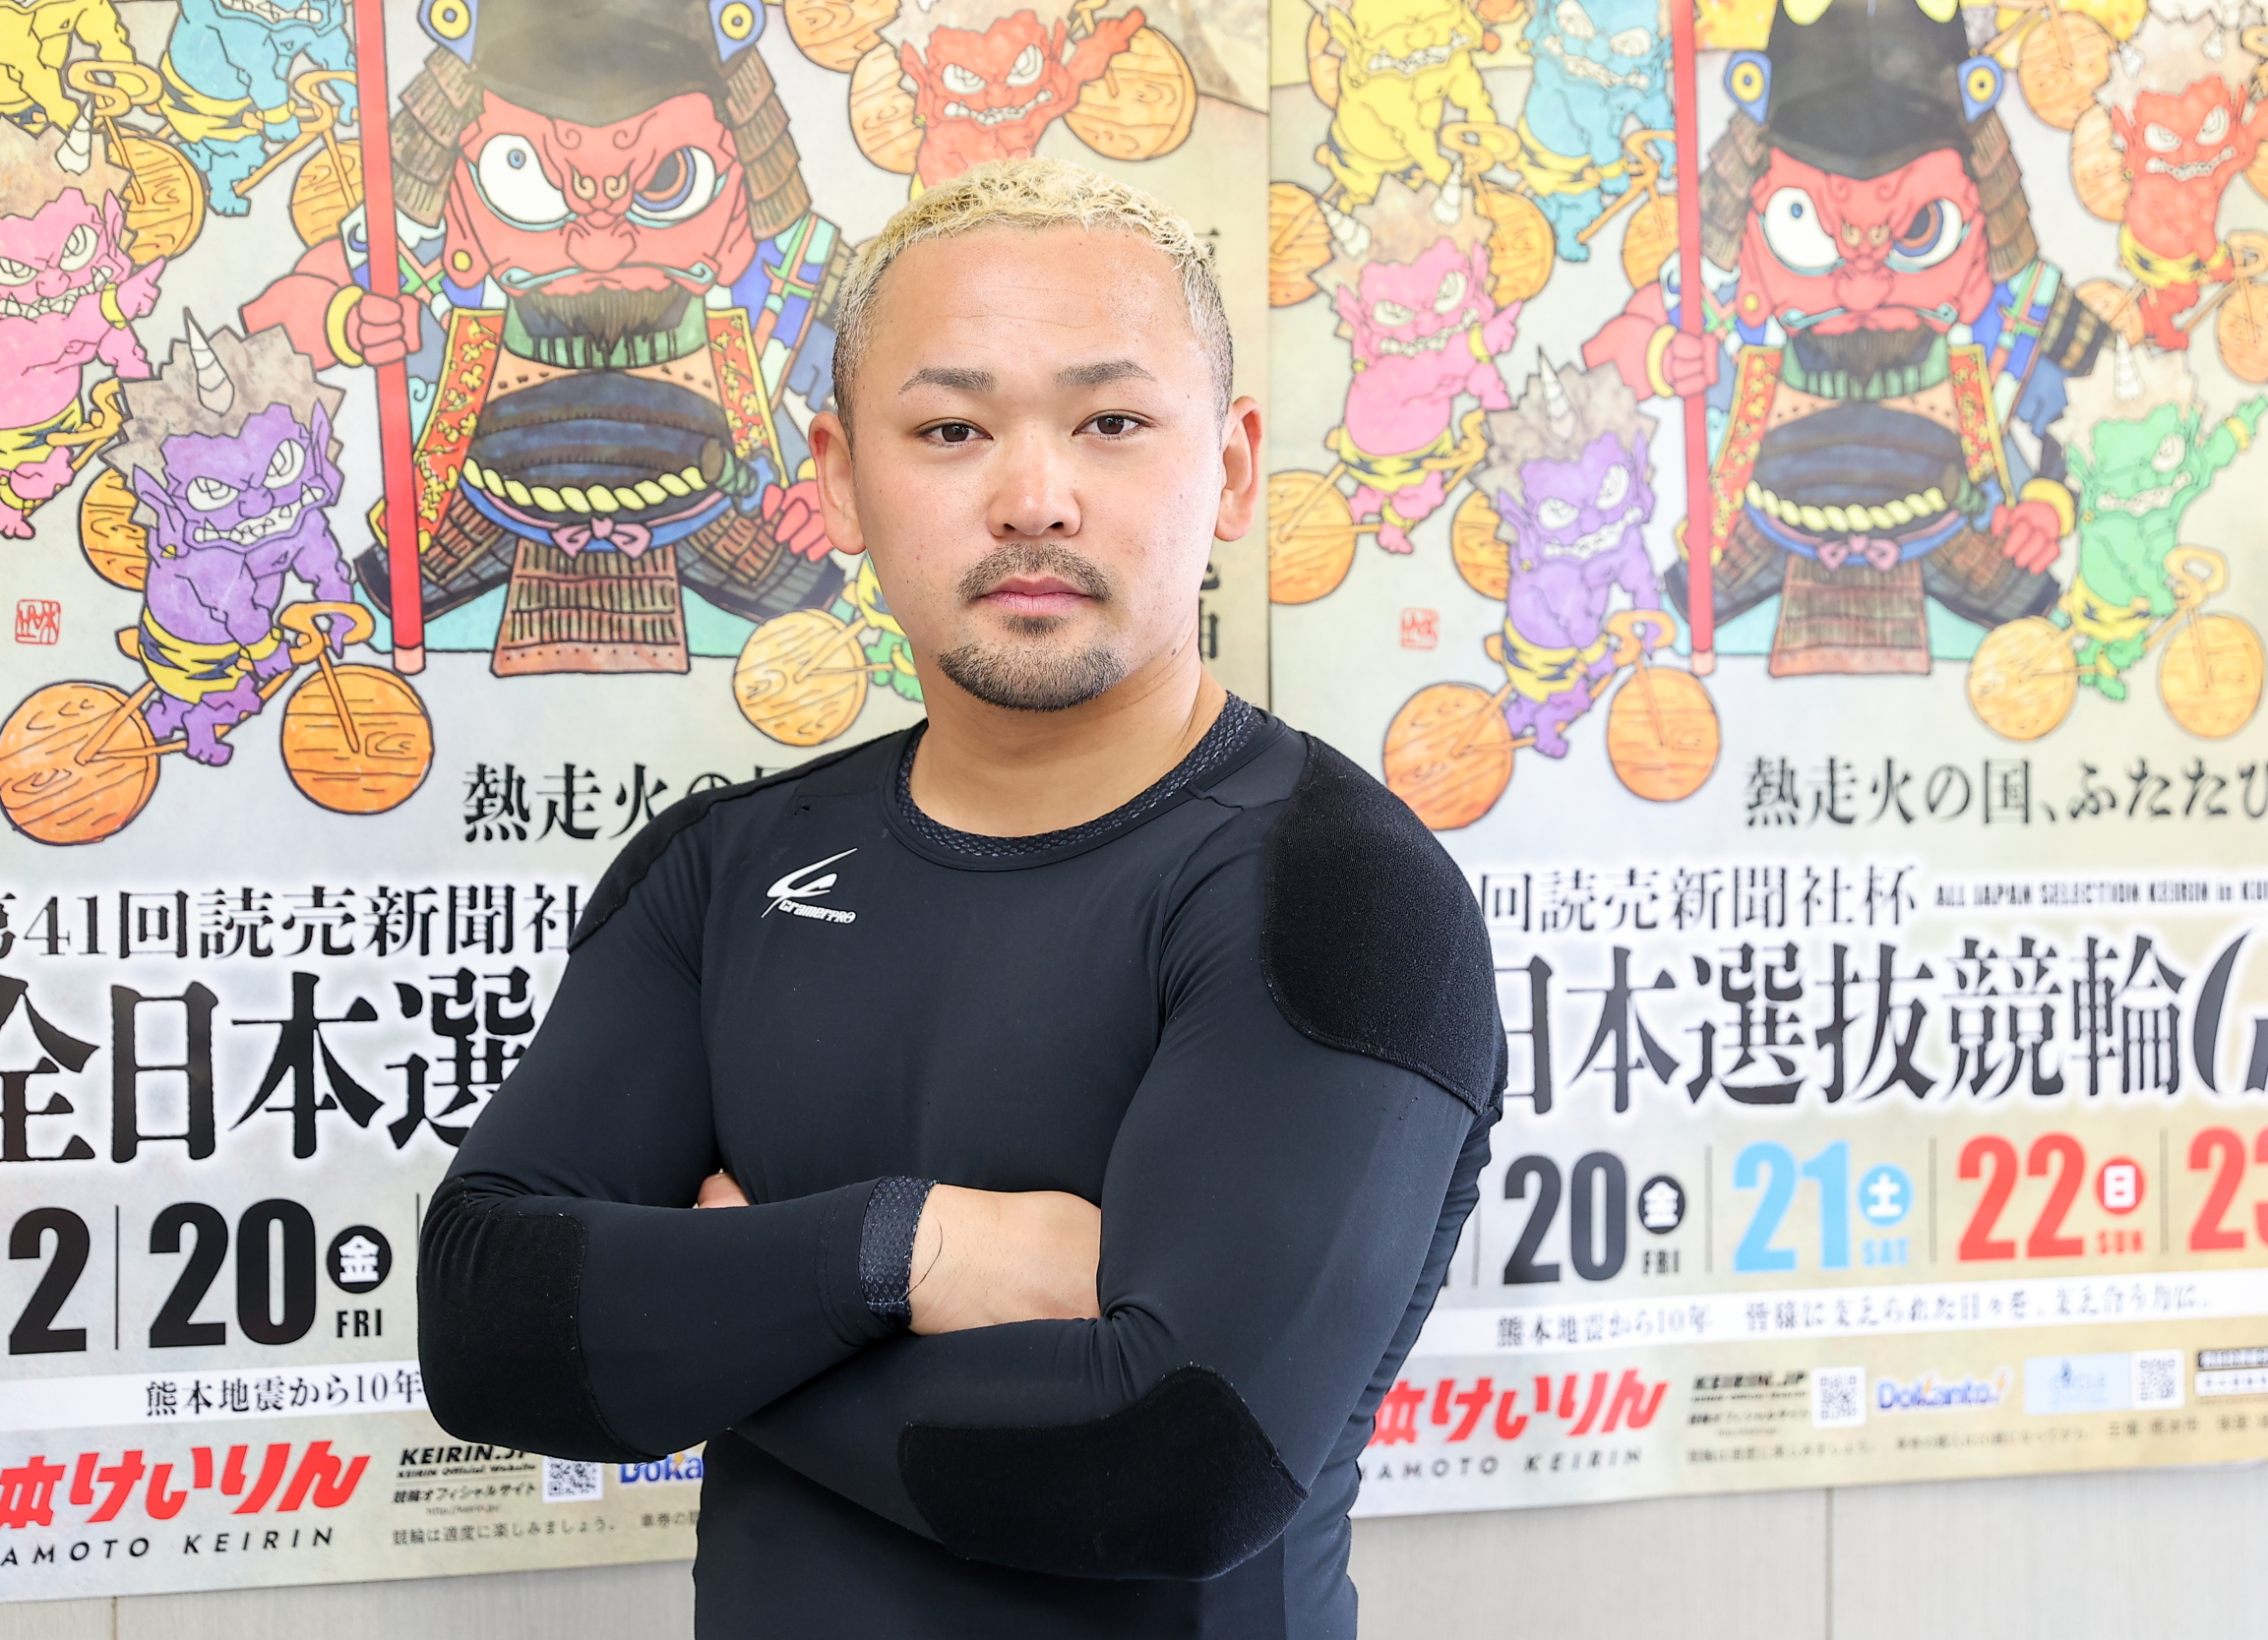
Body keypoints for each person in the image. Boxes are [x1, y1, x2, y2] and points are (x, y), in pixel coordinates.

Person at [418, 157, 1504, 1638]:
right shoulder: (723, 868)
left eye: (1111, 422)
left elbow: (1171, 1465)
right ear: (836, 477)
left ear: (1235, 468)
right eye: (950, 429)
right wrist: (902, 1250)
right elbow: (486, 1328)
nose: (1034, 499)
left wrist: (723, 1309)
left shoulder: (1337, 894)